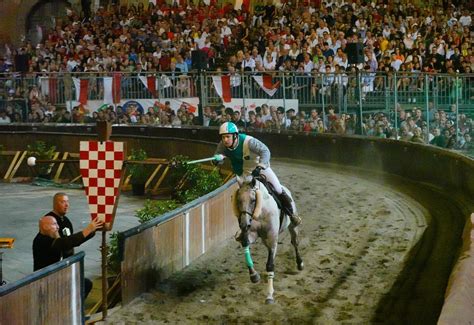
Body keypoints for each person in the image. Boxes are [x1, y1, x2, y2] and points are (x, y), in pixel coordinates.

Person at [213, 122, 301, 226]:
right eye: (223, 137)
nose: (225, 140)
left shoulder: (249, 142)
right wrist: (216, 160)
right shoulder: (222, 145)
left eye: (228, 137)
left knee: (278, 188)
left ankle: (291, 214)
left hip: (260, 169)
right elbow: (218, 159)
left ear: (235, 135)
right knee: (238, 198)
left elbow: (265, 151)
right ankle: (243, 227)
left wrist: (260, 166)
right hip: (242, 175)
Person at [32, 215, 103, 297]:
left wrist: (91, 232)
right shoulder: (41, 240)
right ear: (45, 226)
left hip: (56, 277)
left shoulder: (50, 237)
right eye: (54, 224)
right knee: (84, 284)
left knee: (85, 284)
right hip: (46, 280)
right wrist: (88, 230)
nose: (58, 227)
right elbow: (66, 243)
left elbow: (72, 242)